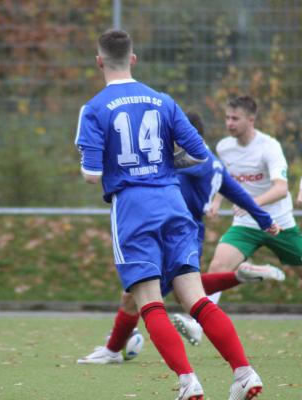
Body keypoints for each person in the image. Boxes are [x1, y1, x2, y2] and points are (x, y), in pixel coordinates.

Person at [75, 30, 277, 400]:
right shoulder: (163, 101)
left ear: (100, 61)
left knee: (149, 301)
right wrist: (162, 165)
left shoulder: (94, 108)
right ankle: (244, 372)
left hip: (133, 208)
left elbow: (92, 175)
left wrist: (123, 167)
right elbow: (199, 154)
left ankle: (188, 382)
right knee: (196, 300)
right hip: (172, 203)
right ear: (133, 59)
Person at [77, 111, 283, 360]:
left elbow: (158, 172)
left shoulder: (194, 162)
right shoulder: (214, 162)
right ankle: (239, 277)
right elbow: (236, 192)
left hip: (172, 230)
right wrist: (264, 219)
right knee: (176, 291)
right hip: (186, 230)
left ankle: (113, 351)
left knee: (139, 294)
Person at [175, 95, 302, 347]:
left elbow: (280, 188)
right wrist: (215, 202)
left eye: (235, 118)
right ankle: (198, 325)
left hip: (279, 224)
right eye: (227, 117)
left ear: (251, 120)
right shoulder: (224, 147)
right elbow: (223, 180)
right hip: (245, 226)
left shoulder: (270, 147)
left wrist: (251, 206)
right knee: (219, 264)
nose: (229, 123)